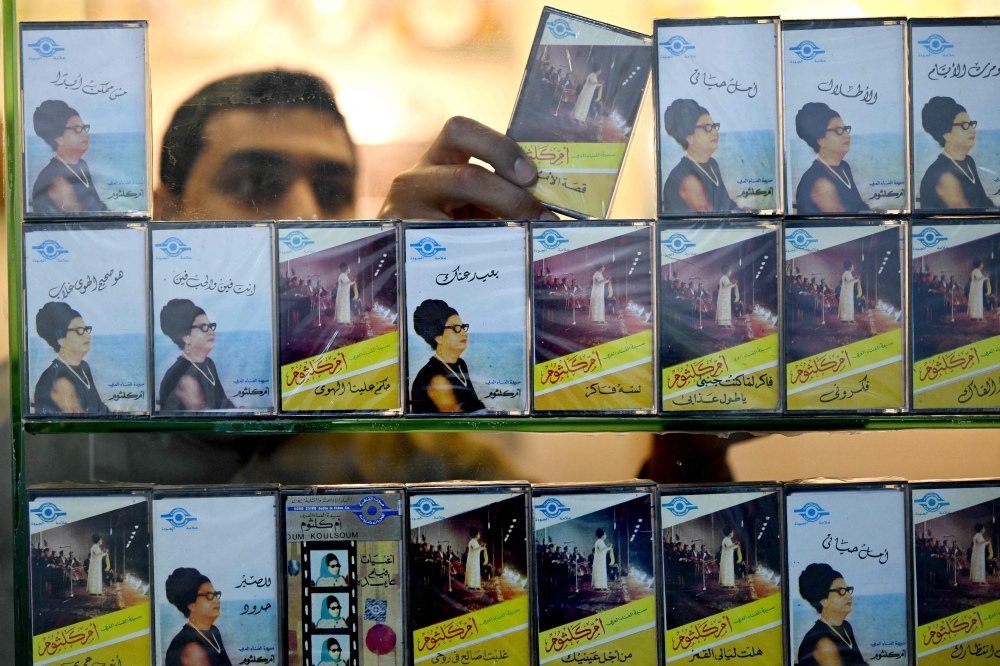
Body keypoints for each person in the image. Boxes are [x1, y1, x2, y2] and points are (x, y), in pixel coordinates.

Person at [30, 100, 108, 215]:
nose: (84, 133)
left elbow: (97, 209)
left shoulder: (81, 165)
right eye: (77, 129)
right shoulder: (56, 180)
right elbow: (79, 222)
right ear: (58, 138)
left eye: (84, 128)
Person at [661, 99, 738, 213]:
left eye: (714, 126)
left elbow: (728, 207)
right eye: (707, 128)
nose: (714, 133)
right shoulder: (687, 179)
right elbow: (711, 221)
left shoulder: (712, 164)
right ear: (689, 137)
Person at [158, 299, 235, 412]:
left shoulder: (209, 364)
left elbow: (223, 405)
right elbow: (207, 419)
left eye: (211, 326)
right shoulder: (185, 379)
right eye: (204, 327)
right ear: (186, 337)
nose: (211, 332)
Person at [410, 299, 485, 414]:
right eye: (456, 328)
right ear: (438, 337)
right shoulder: (436, 379)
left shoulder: (460, 364)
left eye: (463, 327)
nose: (464, 333)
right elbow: (459, 421)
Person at [794, 103, 870, 214]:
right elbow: (845, 223)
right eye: (838, 130)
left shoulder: (843, 167)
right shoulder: (820, 184)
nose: (846, 135)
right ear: (821, 140)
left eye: (845, 129)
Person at [33, 302, 107, 415]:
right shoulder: (58, 380)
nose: (87, 335)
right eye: (79, 331)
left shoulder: (83, 367)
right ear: (61, 339)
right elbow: (81, 422)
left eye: (86, 329)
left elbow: (99, 410)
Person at [919, 96, 992, 211]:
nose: (972, 130)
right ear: (946, 134)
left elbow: (984, 204)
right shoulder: (944, 176)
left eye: (971, 124)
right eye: (964, 125)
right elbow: (967, 219)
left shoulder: (968, 162)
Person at [797, 563, 866, 666]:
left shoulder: (846, 627)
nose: (848, 596)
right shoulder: (824, 644)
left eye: (847, 590)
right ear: (824, 600)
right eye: (841, 591)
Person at [164, 568, 232, 666]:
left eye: (216, 594)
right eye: (209, 595)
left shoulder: (213, 632)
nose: (216, 600)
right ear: (191, 605)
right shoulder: (192, 650)